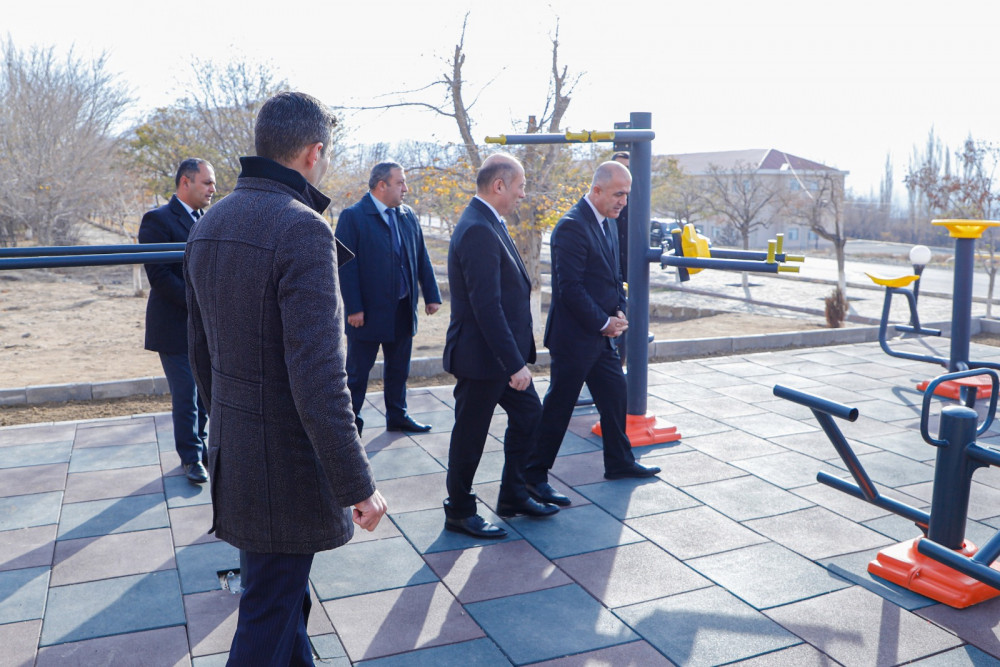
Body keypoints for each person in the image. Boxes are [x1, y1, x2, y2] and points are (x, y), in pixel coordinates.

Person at [185, 91, 387, 665]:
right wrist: (357, 484)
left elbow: (200, 356)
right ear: (313, 152)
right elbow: (321, 379)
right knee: (268, 615)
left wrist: (229, 430)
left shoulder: (211, 221)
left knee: (283, 603)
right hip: (287, 470)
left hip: (237, 457)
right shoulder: (302, 229)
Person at [524, 161, 660, 504]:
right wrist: (604, 322)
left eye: (627, 195)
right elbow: (569, 288)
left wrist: (620, 311)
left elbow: (614, 278)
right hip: (574, 339)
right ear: (596, 190)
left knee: (615, 395)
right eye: (618, 194)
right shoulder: (571, 226)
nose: (623, 202)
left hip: (601, 337)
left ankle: (619, 462)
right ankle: (533, 477)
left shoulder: (607, 222)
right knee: (559, 407)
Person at [442, 153, 558, 539]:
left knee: (529, 415)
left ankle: (513, 495)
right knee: (470, 435)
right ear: (499, 185)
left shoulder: (489, 221)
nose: (523, 194)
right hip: (482, 358)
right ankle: (460, 511)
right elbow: (486, 307)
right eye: (520, 186)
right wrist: (514, 363)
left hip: (496, 357)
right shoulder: (477, 228)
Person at [335, 162, 441, 435]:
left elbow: (421, 257)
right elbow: (345, 266)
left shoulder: (407, 215)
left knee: (398, 370)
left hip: (403, 309)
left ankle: (397, 415)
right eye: (400, 182)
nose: (406, 188)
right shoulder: (353, 216)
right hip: (366, 314)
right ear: (382, 185)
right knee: (357, 374)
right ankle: (349, 426)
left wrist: (431, 295)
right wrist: (354, 308)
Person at [138, 158, 215, 484]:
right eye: (207, 182)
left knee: (206, 392)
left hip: (204, 325)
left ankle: (202, 445)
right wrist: (200, 302)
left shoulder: (206, 219)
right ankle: (191, 457)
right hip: (174, 325)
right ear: (186, 182)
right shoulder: (157, 219)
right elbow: (159, 276)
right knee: (186, 393)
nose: (213, 189)